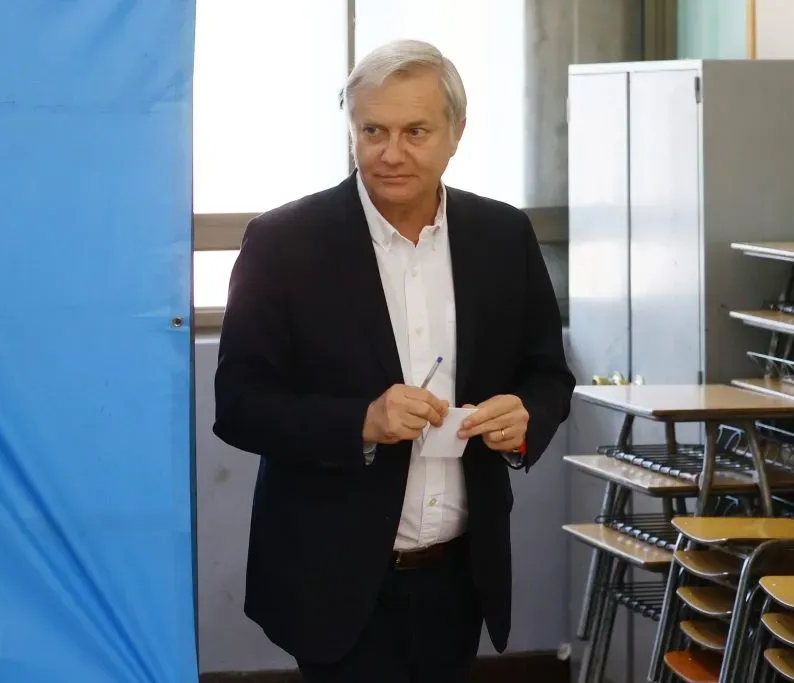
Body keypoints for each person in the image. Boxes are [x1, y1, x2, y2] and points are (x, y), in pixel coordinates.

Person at [212, 39, 575, 682]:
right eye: (371, 129)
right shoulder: (283, 243)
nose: (391, 152)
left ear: (456, 133)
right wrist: (363, 421)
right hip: (333, 575)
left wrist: (528, 418)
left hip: (462, 571)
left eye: (415, 131)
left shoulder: (502, 235)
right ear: (350, 127)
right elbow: (240, 406)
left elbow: (547, 373)